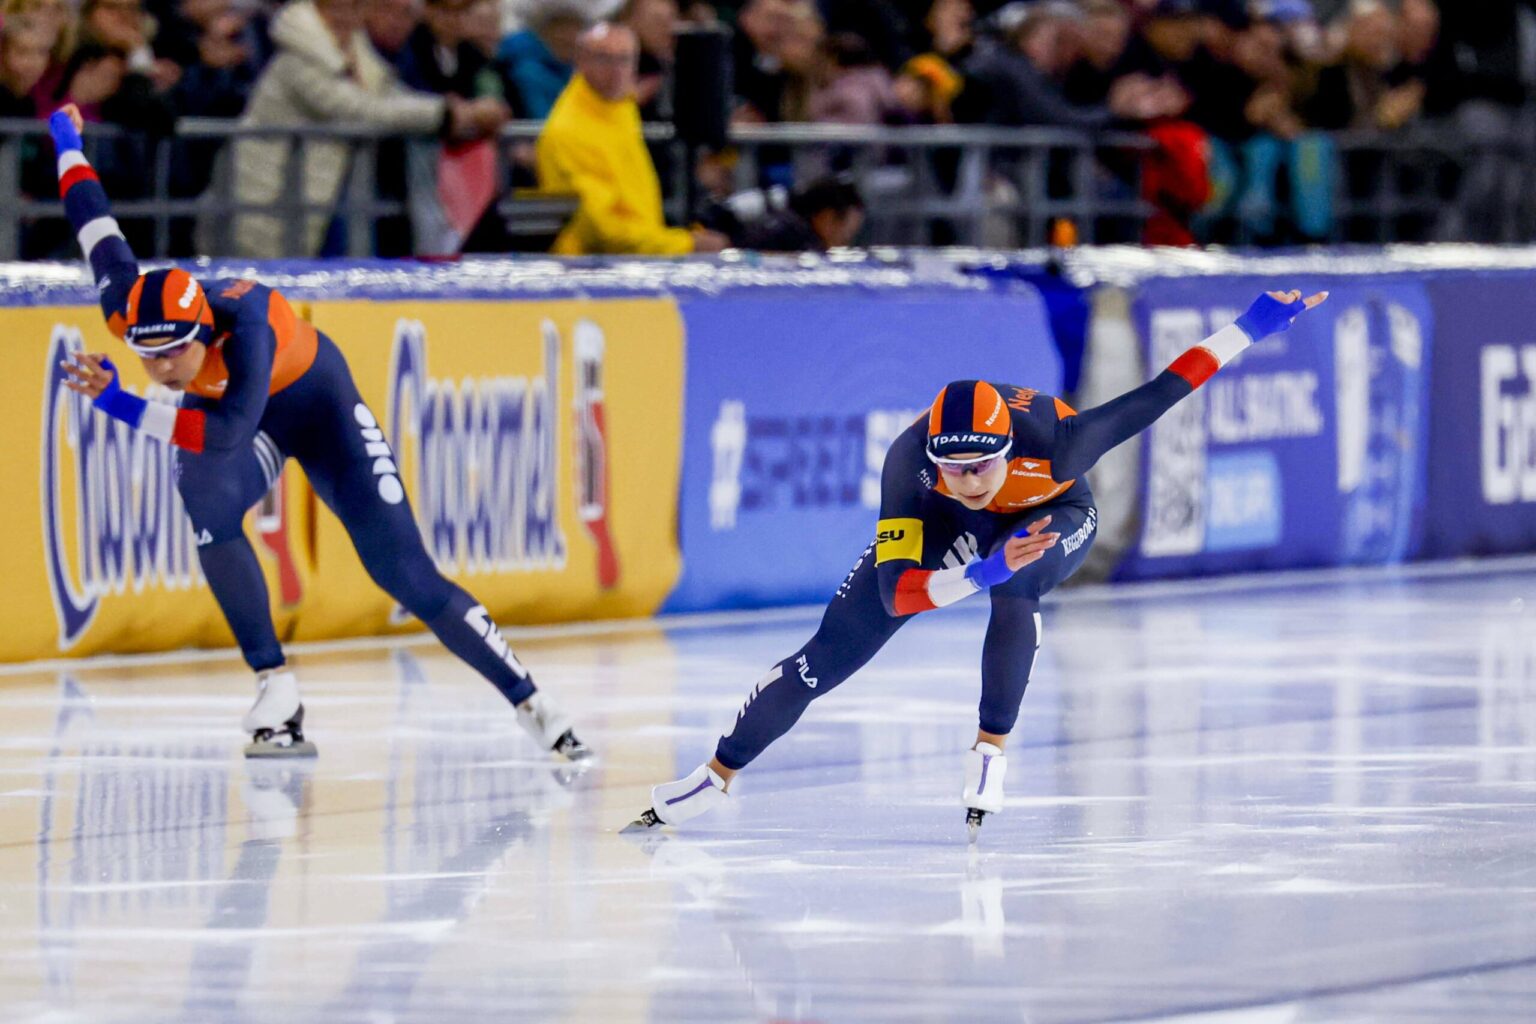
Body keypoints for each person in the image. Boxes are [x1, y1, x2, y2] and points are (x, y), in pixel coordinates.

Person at [627, 286, 1328, 838]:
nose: (970, 480)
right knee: (825, 655)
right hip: (947, 535)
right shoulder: (908, 465)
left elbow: (1164, 390)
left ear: (1006, 450)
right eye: (953, 468)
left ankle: (990, 750)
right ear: (931, 457)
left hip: (1049, 513)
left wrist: (1252, 326)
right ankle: (712, 775)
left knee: (1019, 583)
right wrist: (975, 569)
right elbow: (900, 594)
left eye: (982, 466)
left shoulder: (1059, 442)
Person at [47, 103, 591, 764]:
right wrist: (65, 137)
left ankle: (532, 701)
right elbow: (96, 225)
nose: (160, 369)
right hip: (245, 418)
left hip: (316, 405)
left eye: (175, 356)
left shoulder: (246, 330)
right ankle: (275, 686)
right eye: (145, 355)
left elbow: (221, 436)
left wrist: (119, 403)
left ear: (204, 334)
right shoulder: (129, 307)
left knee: (405, 574)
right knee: (207, 505)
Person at [536, 23, 727, 255]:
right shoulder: (570, 130)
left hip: (639, 256)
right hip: (590, 266)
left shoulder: (620, 106)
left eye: (624, 59)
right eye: (604, 59)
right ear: (581, 61)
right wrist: (683, 244)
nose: (616, 70)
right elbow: (605, 231)